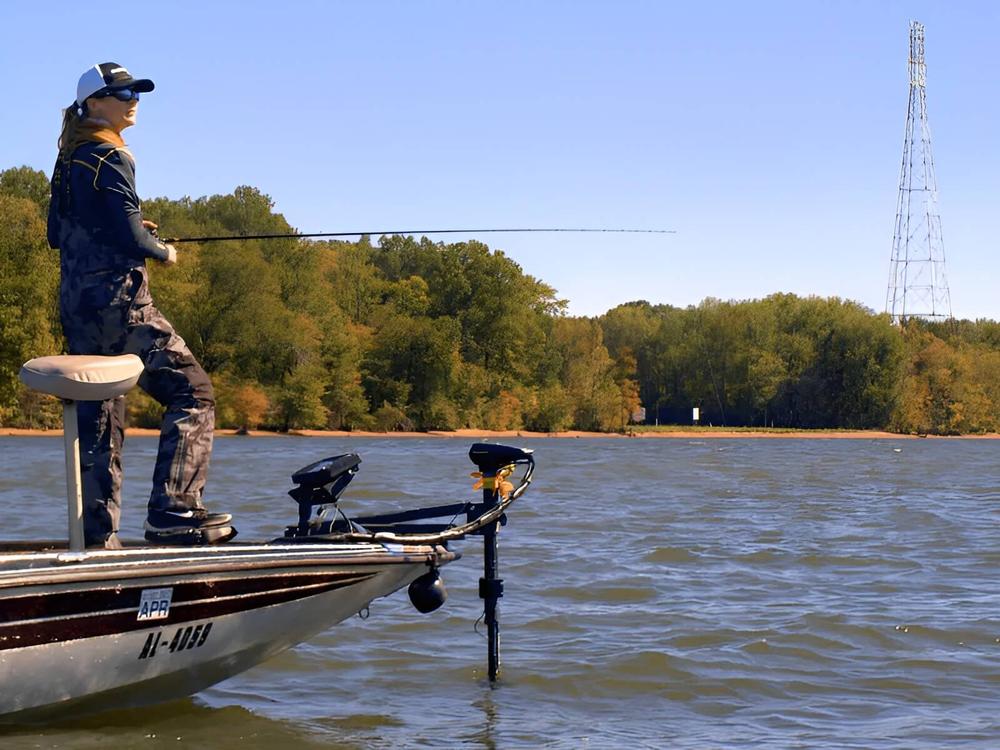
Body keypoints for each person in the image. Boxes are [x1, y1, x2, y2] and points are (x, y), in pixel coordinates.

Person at [47, 62, 235, 548]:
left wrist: (125, 229)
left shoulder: (69, 158)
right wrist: (161, 250)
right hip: (120, 304)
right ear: (94, 103)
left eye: (136, 91)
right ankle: (174, 511)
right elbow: (131, 237)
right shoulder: (111, 157)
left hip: (77, 305)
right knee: (194, 393)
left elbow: (58, 234)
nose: (134, 99)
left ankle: (95, 538)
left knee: (101, 417)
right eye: (123, 91)